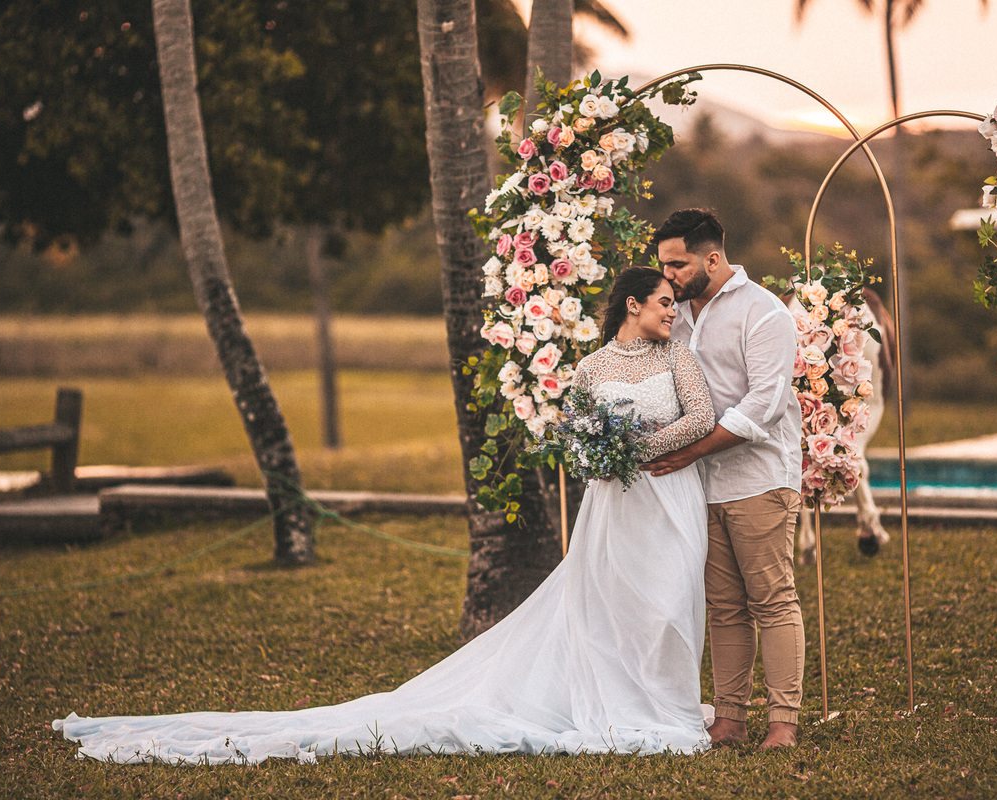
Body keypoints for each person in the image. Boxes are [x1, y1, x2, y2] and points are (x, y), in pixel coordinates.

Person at [53, 267, 717, 764]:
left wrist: (643, 450)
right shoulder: (591, 367)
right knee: (613, 605)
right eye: (664, 302)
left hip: (670, 501)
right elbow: (574, 441)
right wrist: (606, 457)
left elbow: (703, 417)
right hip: (614, 509)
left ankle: (666, 702)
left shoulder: (677, 357)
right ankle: (625, 702)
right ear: (634, 304)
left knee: (668, 602)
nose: (671, 313)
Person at [643, 209, 805, 750]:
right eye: (662, 265)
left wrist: (691, 451)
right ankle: (730, 719)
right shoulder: (676, 315)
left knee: (773, 599)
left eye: (677, 264)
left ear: (712, 257)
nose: (667, 275)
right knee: (726, 606)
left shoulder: (764, 314)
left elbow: (765, 405)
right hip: (700, 487)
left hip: (759, 479)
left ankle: (782, 724)